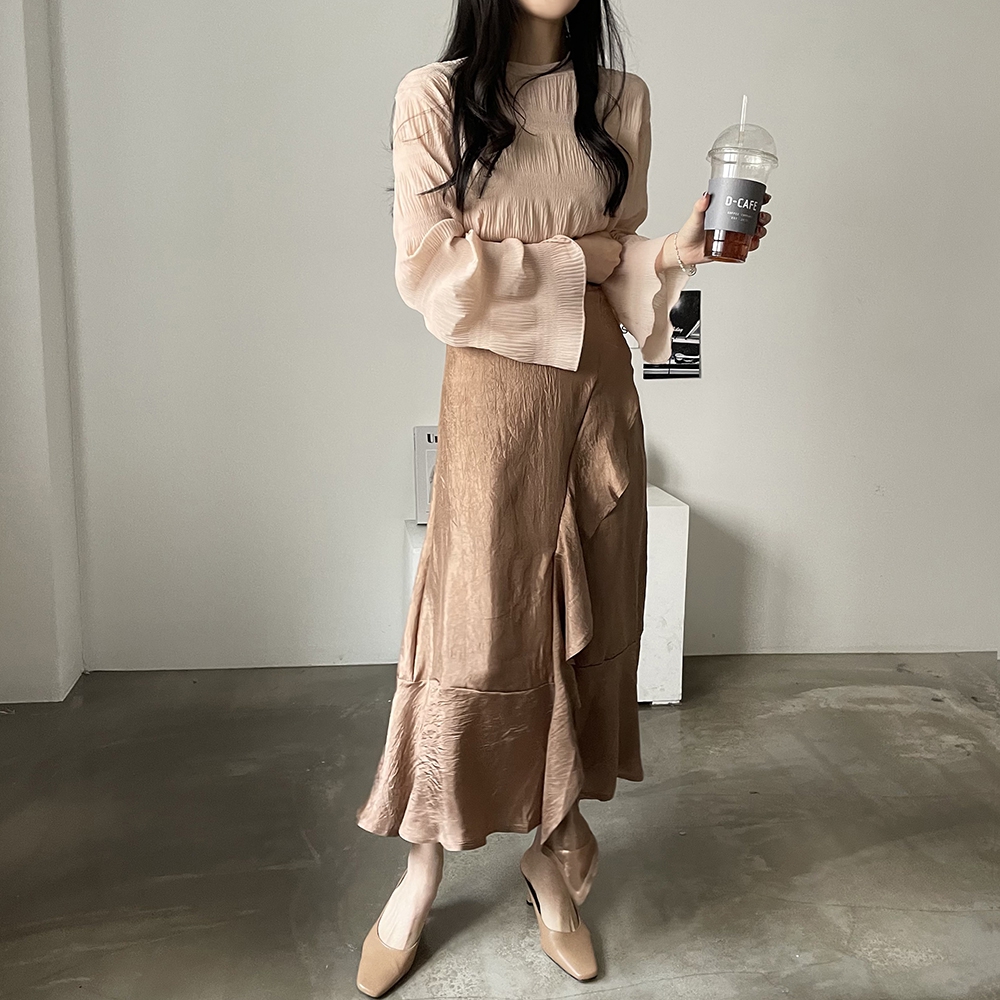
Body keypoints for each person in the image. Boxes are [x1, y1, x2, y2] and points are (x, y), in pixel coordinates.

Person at [355, 0, 771, 994]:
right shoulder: (435, 98)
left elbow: (621, 257)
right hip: (493, 397)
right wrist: (582, 257)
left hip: (596, 394)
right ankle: (422, 867)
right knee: (471, 628)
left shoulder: (622, 100)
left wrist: (674, 252)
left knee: (593, 621)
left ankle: (552, 853)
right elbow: (432, 271)